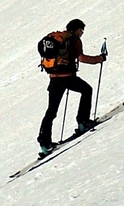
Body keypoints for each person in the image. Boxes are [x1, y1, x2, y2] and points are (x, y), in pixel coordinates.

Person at [38, 18, 106, 153]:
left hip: (54, 79)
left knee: (51, 111)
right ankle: (83, 122)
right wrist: (100, 59)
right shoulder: (73, 40)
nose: (82, 33)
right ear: (76, 29)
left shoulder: (57, 38)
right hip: (67, 77)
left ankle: (44, 144)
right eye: (81, 30)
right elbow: (81, 58)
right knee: (87, 90)